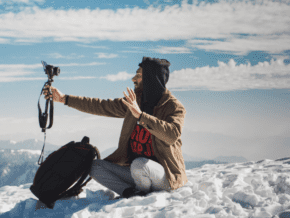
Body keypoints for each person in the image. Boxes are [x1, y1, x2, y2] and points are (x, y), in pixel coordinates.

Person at [43, 57, 187, 199]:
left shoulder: (173, 107)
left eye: (138, 75)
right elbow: (100, 106)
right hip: (138, 175)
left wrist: (141, 116)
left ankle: (141, 198)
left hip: (164, 178)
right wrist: (64, 99)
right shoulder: (135, 101)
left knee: (139, 165)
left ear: (151, 79)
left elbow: (172, 134)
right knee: (93, 166)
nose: (133, 79)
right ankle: (129, 193)